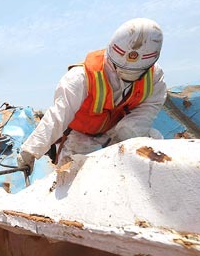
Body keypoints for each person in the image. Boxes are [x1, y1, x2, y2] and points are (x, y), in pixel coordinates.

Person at [18, 18, 167, 171]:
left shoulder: (154, 76)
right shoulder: (80, 77)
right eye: (120, 69)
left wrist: (126, 134)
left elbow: (149, 107)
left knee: (152, 151)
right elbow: (58, 115)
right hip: (80, 137)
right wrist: (30, 151)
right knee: (70, 176)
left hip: (117, 131)